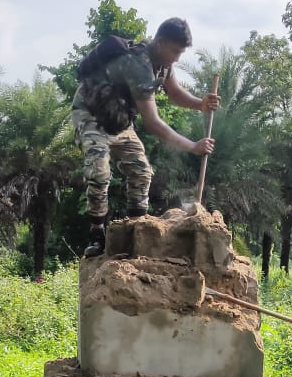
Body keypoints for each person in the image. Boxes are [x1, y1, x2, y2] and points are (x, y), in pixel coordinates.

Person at [72, 17, 219, 257]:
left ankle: (135, 228)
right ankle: (97, 233)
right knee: (99, 172)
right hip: (91, 116)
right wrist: (193, 146)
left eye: (181, 52)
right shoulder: (137, 64)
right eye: (175, 51)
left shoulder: (163, 63)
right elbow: (153, 123)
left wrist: (200, 104)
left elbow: (174, 93)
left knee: (141, 172)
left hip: (119, 121)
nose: (177, 58)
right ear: (160, 42)